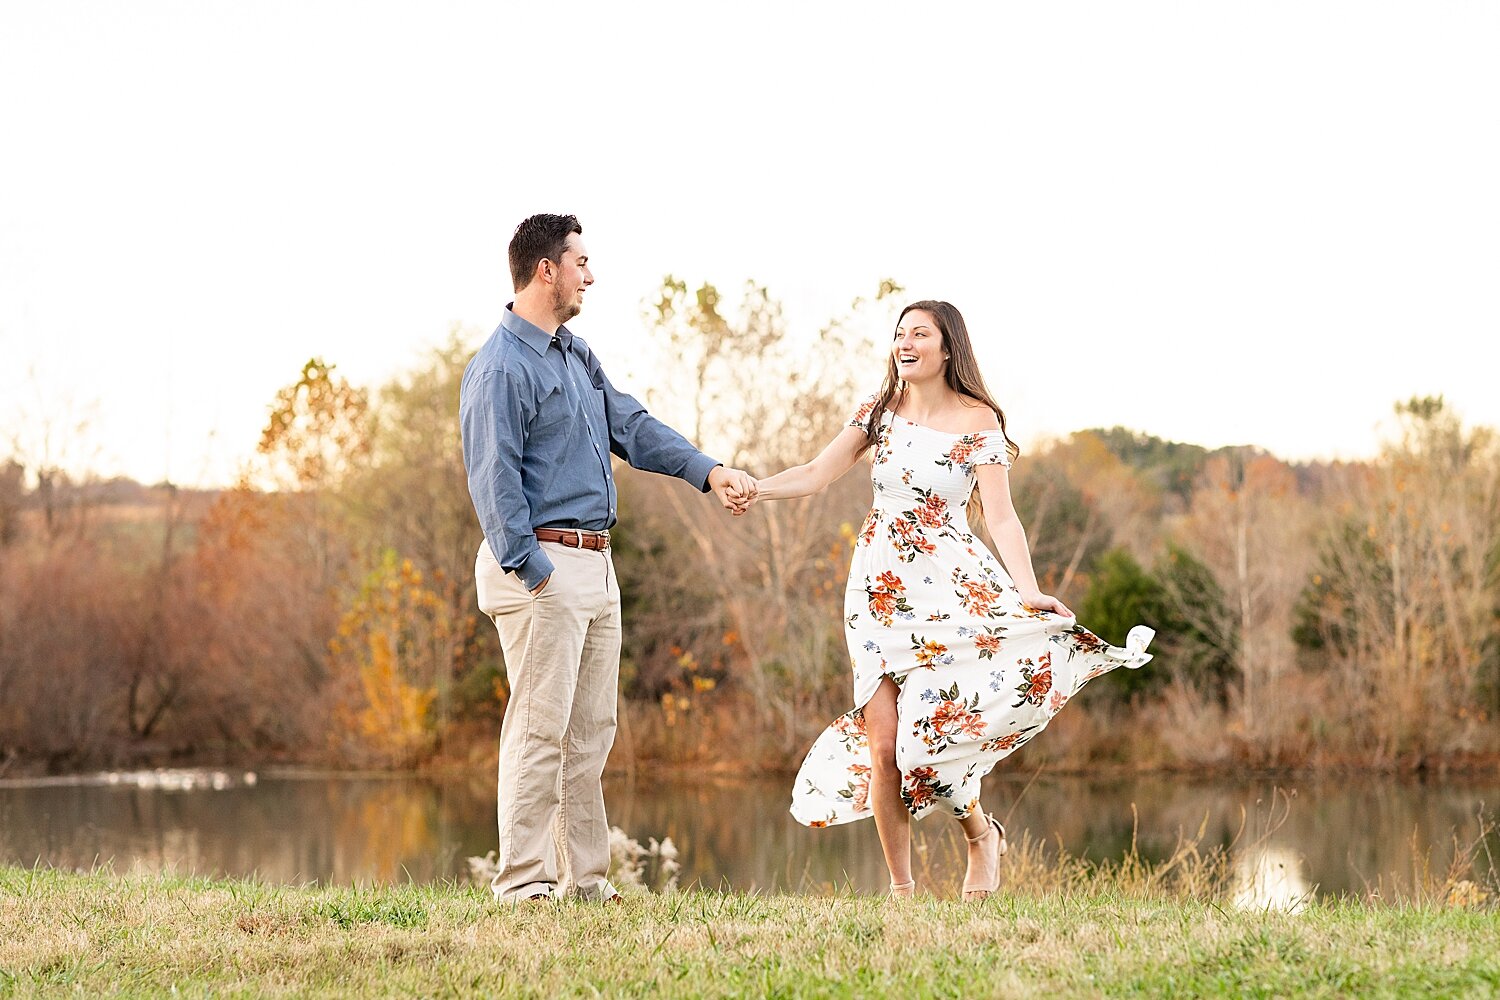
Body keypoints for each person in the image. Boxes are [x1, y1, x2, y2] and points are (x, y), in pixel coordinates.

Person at [739, 300, 1153, 899]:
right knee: (883, 748)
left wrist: (1029, 590)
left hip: (952, 588)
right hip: (878, 590)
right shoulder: (878, 412)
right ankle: (902, 891)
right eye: (899, 334)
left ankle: (981, 834)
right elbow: (814, 472)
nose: (905, 343)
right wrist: (756, 489)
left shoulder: (977, 420)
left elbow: (1003, 518)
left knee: (925, 743)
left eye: (920, 334)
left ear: (947, 347)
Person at [460, 213, 755, 903]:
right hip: (543, 566)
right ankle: (524, 885)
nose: (589, 275)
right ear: (546, 270)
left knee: (590, 733)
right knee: (540, 731)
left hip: (597, 563)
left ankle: (584, 883)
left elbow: (631, 425)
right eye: (581, 263)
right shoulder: (499, 367)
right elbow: (492, 480)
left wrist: (708, 472)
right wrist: (533, 570)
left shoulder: (573, 352)